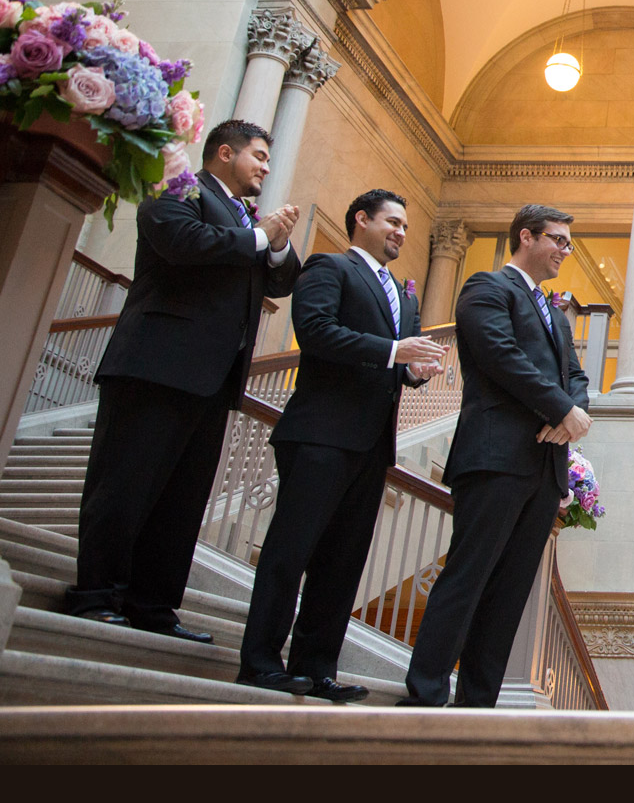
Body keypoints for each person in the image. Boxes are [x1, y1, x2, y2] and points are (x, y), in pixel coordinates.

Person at [64, 120, 300, 641]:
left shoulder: (246, 221)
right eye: (258, 155)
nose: (265, 166)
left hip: (215, 380)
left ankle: (153, 605)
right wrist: (262, 235)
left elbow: (282, 280)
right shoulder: (179, 190)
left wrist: (278, 245)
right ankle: (97, 593)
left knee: (182, 499)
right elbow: (183, 243)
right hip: (156, 364)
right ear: (223, 153)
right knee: (125, 486)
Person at [235, 189, 447, 699]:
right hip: (321, 433)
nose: (401, 232)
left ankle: (316, 667)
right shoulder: (329, 269)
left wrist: (414, 370)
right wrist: (393, 350)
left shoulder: (405, 295)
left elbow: (399, 362)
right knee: (291, 551)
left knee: (343, 561)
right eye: (392, 222)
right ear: (361, 221)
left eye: (404, 226)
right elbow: (315, 331)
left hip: (374, 445)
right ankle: (260, 660)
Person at [398, 204, 591, 707]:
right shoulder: (486, 289)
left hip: (544, 469)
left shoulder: (555, 313)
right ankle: (424, 696)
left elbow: (577, 378)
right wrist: (559, 407)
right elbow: (498, 354)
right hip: (494, 456)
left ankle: (477, 704)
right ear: (525, 237)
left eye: (569, 243)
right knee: (467, 577)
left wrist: (572, 411)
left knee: (509, 595)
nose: (565, 251)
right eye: (558, 240)